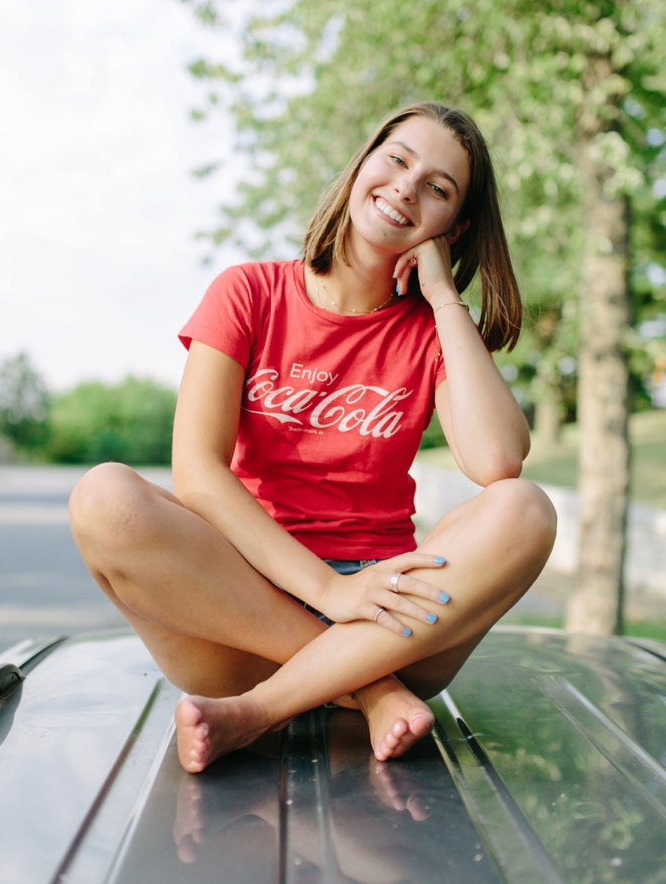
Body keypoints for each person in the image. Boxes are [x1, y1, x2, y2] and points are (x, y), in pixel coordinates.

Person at [69, 102, 556, 773]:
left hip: (394, 616)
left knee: (524, 508)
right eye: (397, 159)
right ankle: (367, 690)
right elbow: (198, 476)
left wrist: (445, 299)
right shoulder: (248, 293)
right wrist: (329, 594)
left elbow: (499, 460)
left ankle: (259, 712)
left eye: (438, 189)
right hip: (245, 606)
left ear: (454, 226)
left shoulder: (432, 334)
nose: (407, 187)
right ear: (361, 164)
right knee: (104, 498)